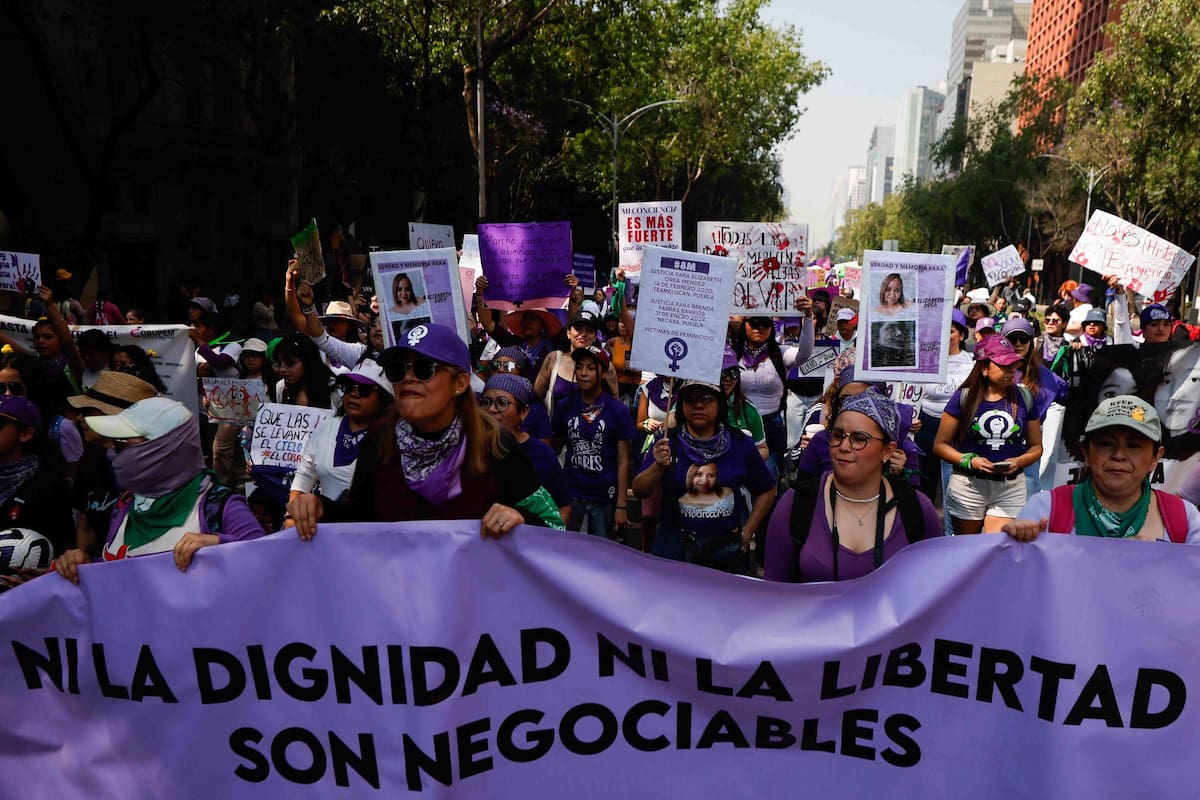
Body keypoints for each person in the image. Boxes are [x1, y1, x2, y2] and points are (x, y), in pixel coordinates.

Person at [286, 323, 564, 538]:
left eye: (423, 368)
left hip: (470, 605)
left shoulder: (495, 445)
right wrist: (321, 508)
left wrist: (520, 519)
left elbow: (554, 526)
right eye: (397, 370)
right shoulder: (381, 438)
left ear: (459, 383)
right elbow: (363, 517)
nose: (408, 378)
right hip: (401, 603)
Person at [53, 398, 264, 582]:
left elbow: (267, 564)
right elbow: (122, 572)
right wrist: (85, 565)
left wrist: (221, 545)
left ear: (163, 450)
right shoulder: (127, 505)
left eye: (123, 445)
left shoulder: (220, 507)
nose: (116, 454)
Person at [765, 390, 939, 582]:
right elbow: (773, 594)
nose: (844, 446)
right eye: (838, 435)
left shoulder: (916, 509)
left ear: (888, 451)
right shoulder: (796, 504)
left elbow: (931, 591)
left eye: (859, 438)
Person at [1003, 395, 1200, 542]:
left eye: (1134, 445)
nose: (1119, 455)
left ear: (1156, 457)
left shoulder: (1184, 519)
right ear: (1086, 452)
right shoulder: (1045, 510)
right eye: (1106, 443)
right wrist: (1015, 547)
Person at [633, 380, 774, 569]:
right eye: (691, 398)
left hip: (725, 556)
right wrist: (658, 466)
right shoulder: (668, 442)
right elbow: (639, 489)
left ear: (719, 403)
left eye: (706, 398)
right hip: (676, 553)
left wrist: (749, 529)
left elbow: (767, 489)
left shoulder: (740, 443)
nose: (698, 404)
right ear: (681, 404)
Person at [932, 335, 1043, 534]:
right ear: (984, 368)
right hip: (968, 486)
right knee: (967, 550)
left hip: (1010, 488)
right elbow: (940, 445)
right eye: (1003, 364)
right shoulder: (963, 398)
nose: (1011, 369)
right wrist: (970, 461)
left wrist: (1019, 462)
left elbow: (1037, 447)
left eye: (1013, 364)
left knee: (997, 547)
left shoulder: (1024, 397)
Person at [288, 360, 393, 514]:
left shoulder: (391, 438)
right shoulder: (327, 426)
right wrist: (291, 516)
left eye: (364, 390)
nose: (354, 394)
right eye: (350, 387)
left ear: (383, 398)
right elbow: (304, 476)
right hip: (328, 528)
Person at [552, 345, 634, 539]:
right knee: (568, 552)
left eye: (590, 368)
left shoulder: (618, 411)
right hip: (572, 494)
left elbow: (624, 461)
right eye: (579, 367)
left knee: (602, 557)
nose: (583, 373)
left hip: (605, 496)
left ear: (603, 373)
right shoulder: (565, 405)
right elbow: (554, 447)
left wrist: (621, 505)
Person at [731, 307, 814, 479]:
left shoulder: (780, 353)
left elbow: (804, 354)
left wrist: (807, 317)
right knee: (736, 475)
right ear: (744, 324)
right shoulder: (732, 353)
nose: (759, 327)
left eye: (765, 323)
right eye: (754, 322)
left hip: (771, 426)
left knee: (766, 477)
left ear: (772, 327)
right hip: (738, 423)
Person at [480, 372, 572, 526]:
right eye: (486, 402)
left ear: (523, 412)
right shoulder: (471, 448)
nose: (491, 409)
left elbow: (563, 506)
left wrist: (551, 542)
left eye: (502, 403)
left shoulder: (542, 454)